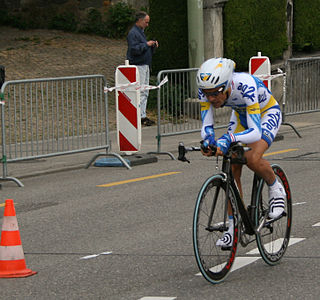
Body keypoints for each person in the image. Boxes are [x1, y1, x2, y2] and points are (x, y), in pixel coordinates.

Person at [197, 57, 286, 248]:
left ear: (227, 85)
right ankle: (232, 226)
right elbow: (207, 125)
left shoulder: (246, 85)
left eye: (215, 94)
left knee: (253, 158)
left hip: (265, 115)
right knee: (232, 165)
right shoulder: (206, 90)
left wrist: (228, 139)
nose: (211, 99)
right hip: (240, 116)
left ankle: (275, 188)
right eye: (207, 94)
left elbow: (255, 132)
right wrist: (209, 141)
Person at [127, 11, 158, 126]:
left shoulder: (140, 32)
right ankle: (138, 115)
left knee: (144, 91)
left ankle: (142, 115)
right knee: (140, 91)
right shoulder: (133, 33)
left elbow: (140, 48)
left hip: (144, 64)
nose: (147, 24)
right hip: (138, 65)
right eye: (146, 22)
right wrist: (147, 44)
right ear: (140, 20)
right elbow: (134, 49)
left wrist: (151, 46)